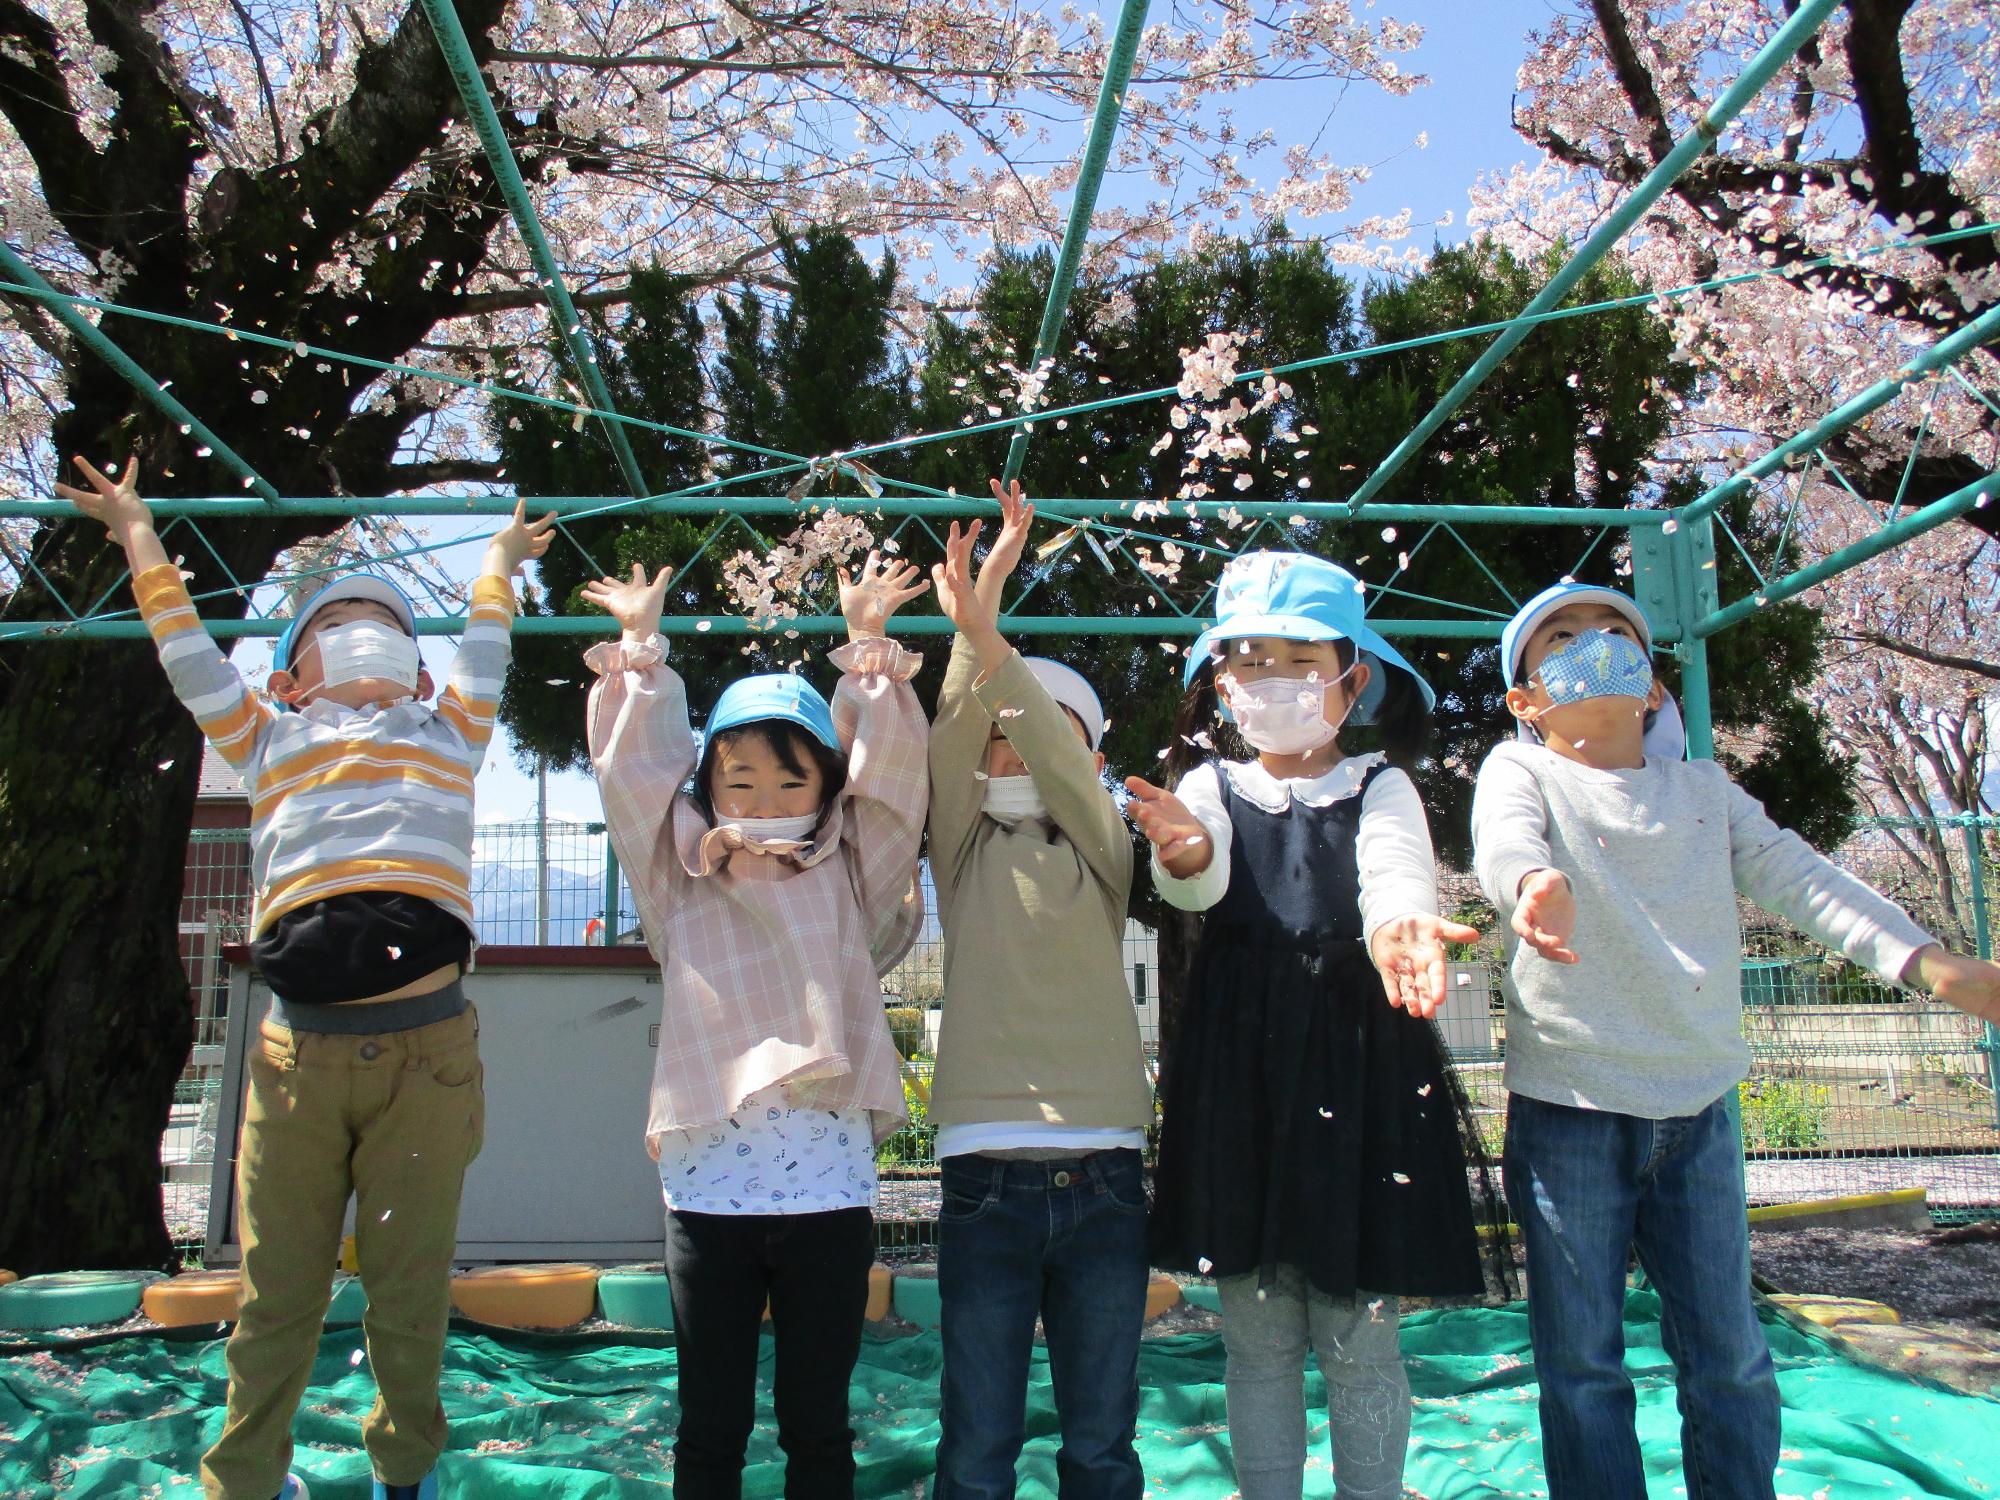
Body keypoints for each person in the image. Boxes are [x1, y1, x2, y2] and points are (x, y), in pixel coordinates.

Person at [57, 457, 554, 1500]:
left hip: (428, 1054)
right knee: (277, 1288)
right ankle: (243, 1481)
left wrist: (501, 559)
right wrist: (140, 534)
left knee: (409, 1291)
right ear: (288, 675)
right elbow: (186, 650)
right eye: (335, 623)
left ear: (421, 675)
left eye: (382, 620)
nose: (362, 629)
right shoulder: (266, 738)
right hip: (297, 1057)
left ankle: (401, 1477)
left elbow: (486, 639)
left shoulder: (448, 731)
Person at [1471, 580, 2000, 1500]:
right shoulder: (1524, 772)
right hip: (1570, 1108)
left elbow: (1805, 879)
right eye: (1561, 637)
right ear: (1527, 701)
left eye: (1613, 632)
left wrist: (1922, 960)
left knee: (1730, 1355)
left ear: (1650, 689)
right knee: (1581, 1363)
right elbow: (1502, 840)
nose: (1593, 642)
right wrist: (1528, 885)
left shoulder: (1707, 791)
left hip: (1700, 1112)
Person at [1124, 551, 1506, 1500]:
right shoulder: (1210, 784)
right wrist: (1180, 849)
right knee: (1254, 1342)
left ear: (1353, 675)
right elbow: (1199, 876)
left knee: (1360, 1334)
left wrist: (1403, 928)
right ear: (1221, 682)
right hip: (1238, 1078)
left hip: (1359, 1068)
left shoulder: (1383, 786)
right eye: (1249, 663)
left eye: (1297, 660)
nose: (1271, 682)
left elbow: (1393, 876)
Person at [582, 550, 930, 1500]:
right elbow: (629, 778)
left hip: (827, 1194)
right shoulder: (678, 875)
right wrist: (640, 654)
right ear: (708, 785)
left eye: (790, 782)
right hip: (709, 1194)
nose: (764, 804)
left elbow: (897, 783)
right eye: (739, 781)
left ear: (826, 784)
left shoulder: (853, 871)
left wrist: (866, 653)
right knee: (711, 1423)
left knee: (818, 1423)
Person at [924, 482, 1154, 1500]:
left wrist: (998, 650)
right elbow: (947, 740)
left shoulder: (1103, 849)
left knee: (1100, 1443)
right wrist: (975, 632)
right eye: (1001, 734)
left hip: (1104, 1171)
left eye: (1043, 734)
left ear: (1086, 753)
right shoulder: (961, 847)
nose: (1013, 747)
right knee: (977, 1446)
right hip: (984, 1173)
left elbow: (1065, 772)